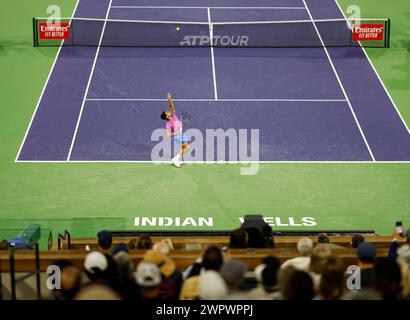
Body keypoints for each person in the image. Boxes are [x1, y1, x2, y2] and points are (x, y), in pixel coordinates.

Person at [160, 92, 189, 167]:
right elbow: (169, 135)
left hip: (181, 133)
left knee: (184, 146)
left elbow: (172, 107)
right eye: (167, 112)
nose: (168, 111)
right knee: (187, 147)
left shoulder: (172, 114)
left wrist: (169, 100)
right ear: (166, 116)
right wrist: (177, 132)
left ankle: (177, 158)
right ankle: (176, 158)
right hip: (177, 136)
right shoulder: (168, 124)